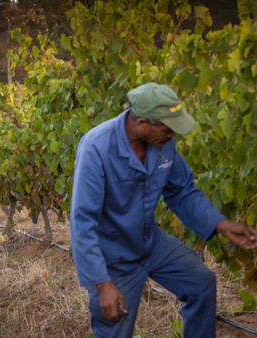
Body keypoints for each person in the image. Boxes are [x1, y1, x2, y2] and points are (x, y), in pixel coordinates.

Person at [70, 83, 257, 338]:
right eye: (168, 130)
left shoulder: (162, 143)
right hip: (113, 257)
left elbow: (182, 191)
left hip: (150, 242)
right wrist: (102, 284)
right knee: (115, 328)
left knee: (201, 283)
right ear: (143, 124)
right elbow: (83, 221)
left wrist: (222, 225)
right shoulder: (96, 148)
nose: (172, 136)